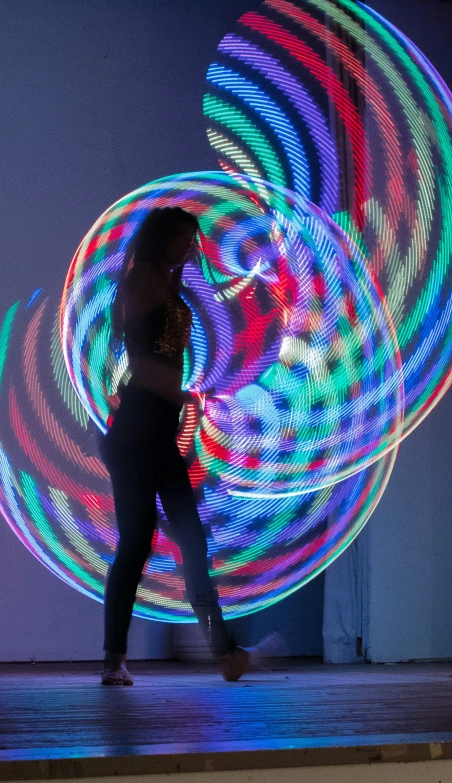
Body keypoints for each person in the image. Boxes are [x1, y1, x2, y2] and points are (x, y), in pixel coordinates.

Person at [99, 207, 276, 685]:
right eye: (180, 239)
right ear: (161, 240)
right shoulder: (141, 281)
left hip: (157, 432)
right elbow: (144, 366)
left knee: (192, 541)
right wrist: (188, 396)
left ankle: (225, 651)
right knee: (135, 543)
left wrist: (184, 399)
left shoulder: (166, 280)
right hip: (137, 432)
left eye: (190, 240)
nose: (189, 248)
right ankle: (114, 659)